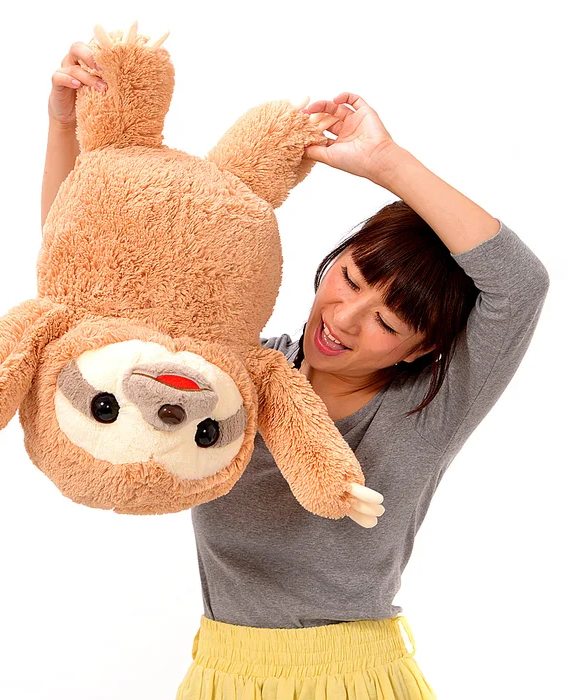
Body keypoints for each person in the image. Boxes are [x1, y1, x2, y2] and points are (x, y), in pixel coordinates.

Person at [41, 43, 550, 700]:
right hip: (221, 674)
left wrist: (384, 162)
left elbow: (521, 284)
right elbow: (89, 283)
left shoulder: (428, 407)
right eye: (352, 278)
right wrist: (63, 126)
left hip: (356, 680)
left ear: (419, 350)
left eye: (387, 322)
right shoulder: (236, 374)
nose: (345, 318)